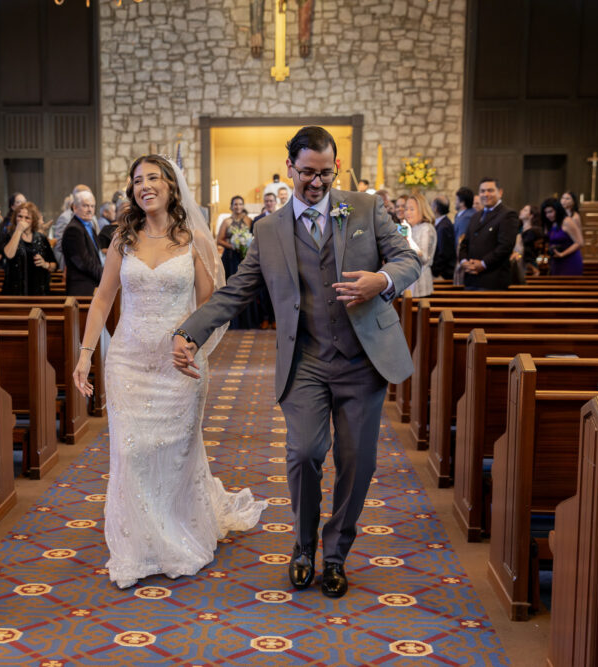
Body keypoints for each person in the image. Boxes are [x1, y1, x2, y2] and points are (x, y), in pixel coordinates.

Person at [172, 126, 420, 598]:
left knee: (358, 462)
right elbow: (236, 292)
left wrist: (382, 280)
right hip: (305, 360)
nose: (318, 182)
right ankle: (304, 545)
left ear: (336, 168)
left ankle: (336, 553)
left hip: (363, 359)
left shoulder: (364, 209)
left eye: (326, 173)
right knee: (305, 453)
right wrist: (188, 331)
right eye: (308, 172)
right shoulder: (268, 230)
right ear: (290, 169)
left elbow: (409, 260)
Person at [71, 154, 266, 589]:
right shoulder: (123, 238)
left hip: (178, 364)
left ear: (171, 185)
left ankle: (176, 532)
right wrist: (86, 353)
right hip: (128, 360)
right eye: (138, 180)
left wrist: (193, 346)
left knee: (174, 452)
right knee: (132, 452)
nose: (145, 186)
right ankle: (139, 545)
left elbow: (209, 306)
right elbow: (102, 299)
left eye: (153, 178)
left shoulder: (195, 237)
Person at [457, 178, 519, 290]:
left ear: (500, 192)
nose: (485, 194)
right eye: (482, 191)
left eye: (490, 190)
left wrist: (483, 264)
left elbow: (505, 247)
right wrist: (464, 261)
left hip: (493, 280)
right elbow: (465, 243)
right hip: (471, 279)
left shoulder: (508, 215)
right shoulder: (476, 216)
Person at [217, 195, 257, 329]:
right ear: (231, 206)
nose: (238, 207)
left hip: (245, 257)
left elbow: (253, 237)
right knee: (232, 286)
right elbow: (219, 240)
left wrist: (246, 244)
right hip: (230, 258)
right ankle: (232, 322)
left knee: (245, 286)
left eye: (240, 204)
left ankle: (247, 321)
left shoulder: (249, 220)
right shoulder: (226, 222)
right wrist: (234, 245)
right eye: (235, 204)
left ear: (243, 206)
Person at [0, 201, 55, 295]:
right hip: (14, 291)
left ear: (33, 220)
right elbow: (8, 255)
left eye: (27, 218)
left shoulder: (41, 238)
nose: (22, 220)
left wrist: (45, 264)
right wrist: (18, 230)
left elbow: (54, 265)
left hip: (38, 291)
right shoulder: (9, 236)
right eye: (20, 216)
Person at [60, 189, 104, 296]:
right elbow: (84, 263)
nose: (90, 210)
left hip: (92, 284)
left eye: (92, 206)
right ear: (75, 207)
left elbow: (96, 256)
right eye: (85, 206)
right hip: (82, 288)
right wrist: (105, 276)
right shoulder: (73, 230)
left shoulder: (89, 226)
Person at [252, 192, 279, 328]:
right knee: (262, 291)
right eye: (267, 201)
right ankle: (265, 318)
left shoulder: (282, 217)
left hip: (278, 259)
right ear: (264, 203)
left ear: (275, 202)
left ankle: (275, 319)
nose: (269, 203)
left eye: (271, 201)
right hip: (263, 258)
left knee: (275, 291)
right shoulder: (257, 219)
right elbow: (254, 238)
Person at [404, 194, 437, 297]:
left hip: (420, 284)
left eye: (412, 209)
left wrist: (408, 239)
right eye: (406, 209)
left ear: (422, 210)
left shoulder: (426, 228)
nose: (407, 212)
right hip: (409, 281)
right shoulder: (412, 228)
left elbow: (423, 258)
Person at [541, 197, 583, 275]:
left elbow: (580, 243)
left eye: (550, 212)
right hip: (556, 260)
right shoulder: (552, 223)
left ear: (557, 210)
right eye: (546, 213)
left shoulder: (567, 221)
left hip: (570, 260)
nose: (548, 215)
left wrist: (562, 254)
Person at [431, 196, 456, 280]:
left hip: (443, 273)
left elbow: (443, 252)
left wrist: (435, 271)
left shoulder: (444, 226)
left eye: (432, 205)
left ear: (436, 208)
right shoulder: (442, 223)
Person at [515, 203, 543, 276]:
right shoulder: (519, 229)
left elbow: (529, 251)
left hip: (528, 264)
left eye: (525, 210)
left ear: (531, 215)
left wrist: (531, 266)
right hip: (517, 262)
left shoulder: (534, 231)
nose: (521, 211)